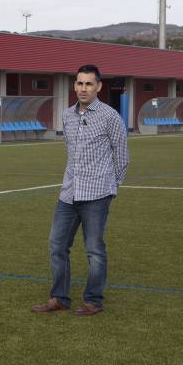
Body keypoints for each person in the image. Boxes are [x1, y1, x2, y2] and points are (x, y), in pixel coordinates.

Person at [31, 64, 129, 316]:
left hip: (97, 194)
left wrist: (111, 187)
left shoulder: (110, 117)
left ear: (98, 86)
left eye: (88, 83)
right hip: (69, 193)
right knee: (56, 245)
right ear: (74, 85)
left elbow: (122, 156)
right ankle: (59, 298)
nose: (83, 88)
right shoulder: (67, 116)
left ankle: (93, 300)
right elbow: (70, 152)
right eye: (79, 83)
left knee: (94, 249)